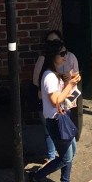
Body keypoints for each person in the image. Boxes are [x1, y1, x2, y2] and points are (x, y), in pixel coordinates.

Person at [28, 40, 83, 182]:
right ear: (53, 56)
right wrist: (70, 84)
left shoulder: (54, 73)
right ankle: (37, 176)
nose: (66, 56)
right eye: (62, 54)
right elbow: (55, 100)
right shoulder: (49, 77)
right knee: (65, 158)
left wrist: (68, 82)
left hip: (62, 116)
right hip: (56, 121)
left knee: (71, 152)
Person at [32, 30, 80, 161]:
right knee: (64, 152)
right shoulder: (47, 69)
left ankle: (60, 163)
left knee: (69, 147)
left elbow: (75, 75)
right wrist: (61, 83)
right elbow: (38, 82)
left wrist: (69, 80)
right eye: (50, 42)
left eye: (56, 41)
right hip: (51, 109)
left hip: (64, 106)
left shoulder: (70, 57)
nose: (53, 44)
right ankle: (52, 159)